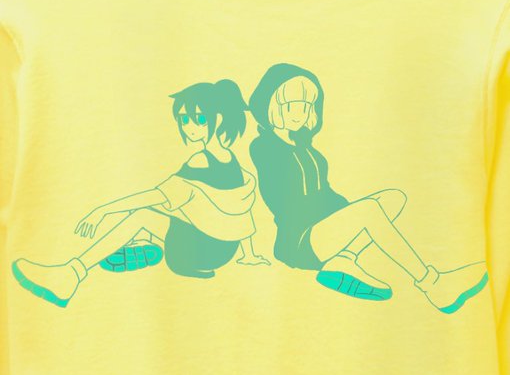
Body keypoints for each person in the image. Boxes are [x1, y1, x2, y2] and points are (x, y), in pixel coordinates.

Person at [248, 62, 488, 314]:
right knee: (370, 211)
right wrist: (354, 215)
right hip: (298, 239)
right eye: (292, 104)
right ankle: (432, 283)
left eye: (307, 104)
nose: (301, 111)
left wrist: (348, 212)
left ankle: (343, 259)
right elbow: (282, 201)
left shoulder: (307, 149)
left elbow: (325, 193)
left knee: (392, 199)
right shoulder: (264, 147)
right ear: (270, 105)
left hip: (323, 229)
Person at [12, 79, 269, 307]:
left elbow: (155, 196)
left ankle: (72, 273)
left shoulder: (200, 161)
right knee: (177, 207)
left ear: (218, 119)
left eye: (199, 119)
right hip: (223, 252)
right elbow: (239, 211)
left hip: (194, 254)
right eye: (184, 119)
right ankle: (145, 244)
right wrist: (249, 254)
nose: (189, 127)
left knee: (144, 215)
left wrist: (103, 211)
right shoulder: (231, 160)